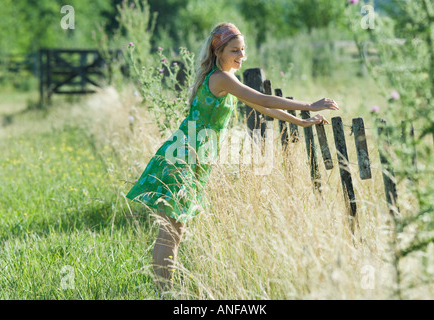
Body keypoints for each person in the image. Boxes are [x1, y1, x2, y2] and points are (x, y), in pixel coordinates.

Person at [126, 22, 339, 296]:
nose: (241, 56)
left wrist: (300, 121)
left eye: (243, 50)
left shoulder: (224, 78)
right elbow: (264, 97)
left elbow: (261, 106)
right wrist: (310, 104)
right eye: (235, 50)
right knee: (170, 230)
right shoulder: (221, 78)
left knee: (175, 230)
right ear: (219, 51)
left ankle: (164, 291)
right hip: (184, 157)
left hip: (191, 156)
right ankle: (163, 292)